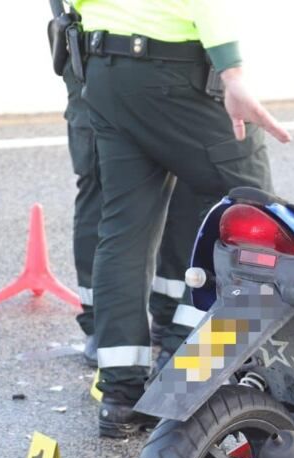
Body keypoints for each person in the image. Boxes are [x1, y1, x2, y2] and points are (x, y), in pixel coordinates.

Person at [75, 0, 291, 437]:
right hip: (173, 71)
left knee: (124, 231)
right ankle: (183, 378)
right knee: (258, 217)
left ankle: (119, 396)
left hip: (104, 67)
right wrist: (232, 74)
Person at [59, 52, 198, 368]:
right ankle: (107, 332)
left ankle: (171, 322)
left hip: (174, 62)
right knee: (105, 190)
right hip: (99, 61)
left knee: (186, 183)